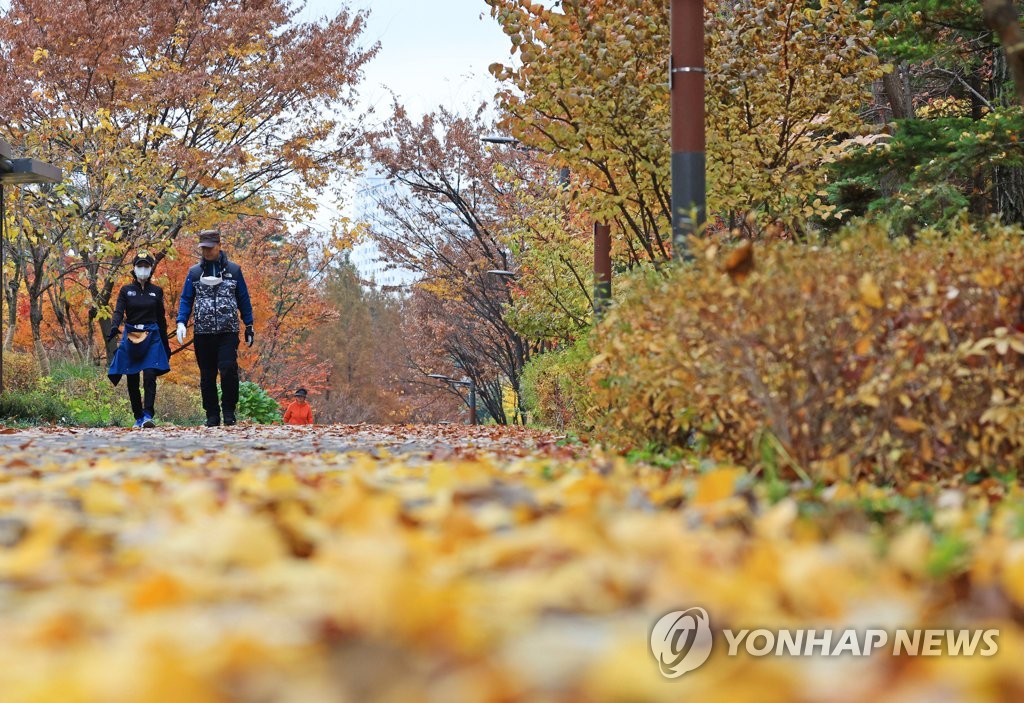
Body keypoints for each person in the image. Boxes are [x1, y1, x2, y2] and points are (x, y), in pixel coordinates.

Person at [175, 229, 255, 427]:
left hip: (228, 330)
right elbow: (186, 299)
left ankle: (229, 411)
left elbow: (243, 298)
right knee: (207, 374)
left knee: (228, 369)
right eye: (203, 248)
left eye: (210, 248)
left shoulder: (234, 270)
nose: (207, 252)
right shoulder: (194, 273)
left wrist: (249, 324)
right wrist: (181, 322)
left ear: (219, 246)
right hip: (203, 332)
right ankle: (212, 414)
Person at [106, 251, 172, 428]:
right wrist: (114, 327)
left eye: (146, 266)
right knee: (132, 376)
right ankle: (138, 416)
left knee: (150, 373)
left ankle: (148, 414)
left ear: (151, 269)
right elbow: (119, 311)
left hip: (152, 335)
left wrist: (166, 344)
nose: (142, 269)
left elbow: (161, 318)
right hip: (132, 335)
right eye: (139, 266)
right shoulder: (126, 291)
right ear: (134, 269)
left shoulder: (157, 292)